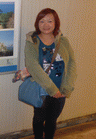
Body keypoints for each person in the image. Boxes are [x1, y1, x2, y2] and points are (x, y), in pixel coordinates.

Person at [24, 8, 77, 139]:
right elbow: (32, 66)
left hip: (61, 90)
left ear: (55, 23)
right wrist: (52, 89)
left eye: (49, 21)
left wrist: (66, 88)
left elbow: (71, 64)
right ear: (37, 23)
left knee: (52, 120)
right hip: (41, 89)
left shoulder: (63, 41)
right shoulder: (32, 41)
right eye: (42, 21)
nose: (46, 25)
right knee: (38, 119)